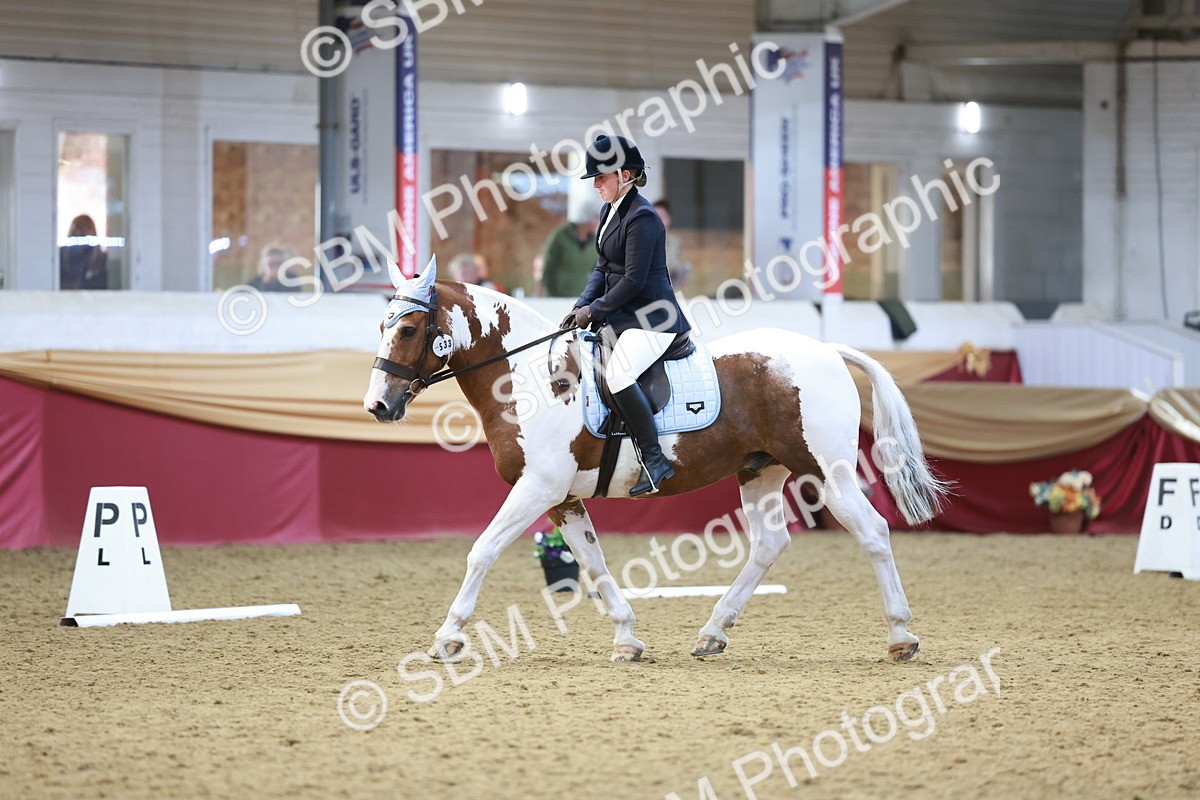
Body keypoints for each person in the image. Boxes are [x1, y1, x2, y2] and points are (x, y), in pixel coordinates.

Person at [561, 135, 691, 496]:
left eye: (601, 177)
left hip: (654, 318)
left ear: (626, 175)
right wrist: (580, 306)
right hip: (625, 316)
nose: (596, 185)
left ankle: (655, 459)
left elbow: (633, 281)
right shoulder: (609, 211)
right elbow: (602, 267)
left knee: (618, 375)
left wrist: (594, 310)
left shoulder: (644, 217)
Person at [539, 202, 599, 297]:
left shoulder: (595, 243)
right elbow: (548, 263)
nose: (598, 222)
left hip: (580, 295)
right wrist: (540, 289)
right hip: (556, 295)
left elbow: (597, 270)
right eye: (596, 218)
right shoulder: (560, 235)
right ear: (586, 219)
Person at [59, 214, 109, 290]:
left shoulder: (99, 258)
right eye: (78, 231)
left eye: (84, 231)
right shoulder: (61, 255)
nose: (80, 233)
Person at [653, 198, 691, 289]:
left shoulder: (676, 242)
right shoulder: (643, 242)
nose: (657, 221)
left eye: (661, 217)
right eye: (654, 217)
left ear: (669, 219)